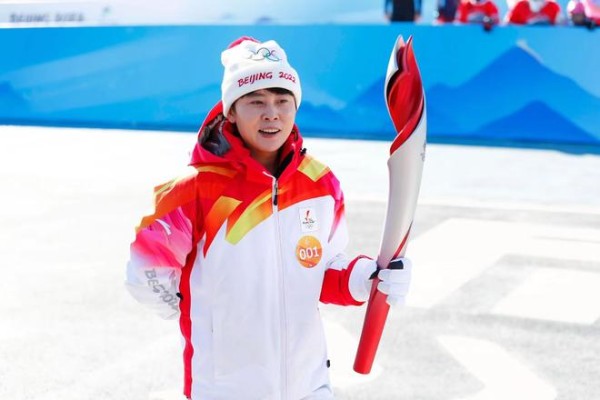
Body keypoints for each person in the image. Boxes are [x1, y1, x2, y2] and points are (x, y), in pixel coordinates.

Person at [125, 36, 413, 400]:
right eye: (256, 101)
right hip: (225, 391)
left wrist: (367, 278)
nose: (271, 113)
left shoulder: (321, 184)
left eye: (282, 100)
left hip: (309, 386)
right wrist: (207, 323)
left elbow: (323, 271)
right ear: (230, 111)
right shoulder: (194, 190)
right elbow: (145, 274)